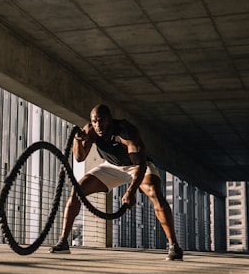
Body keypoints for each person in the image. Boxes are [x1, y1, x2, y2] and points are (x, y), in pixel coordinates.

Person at [50, 104, 183, 261]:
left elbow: (140, 165)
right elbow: (80, 158)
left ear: (110, 120)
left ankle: (174, 246)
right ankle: (63, 241)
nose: (98, 125)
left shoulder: (126, 131)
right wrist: (78, 141)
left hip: (136, 166)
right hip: (111, 166)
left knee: (155, 192)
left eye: (102, 120)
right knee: (78, 189)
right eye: (95, 121)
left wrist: (131, 191)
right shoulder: (90, 130)